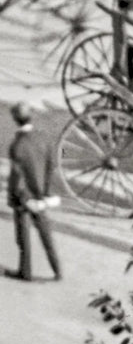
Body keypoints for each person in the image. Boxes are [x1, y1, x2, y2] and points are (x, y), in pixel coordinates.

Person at [6, 102, 62, 282]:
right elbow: (51, 167)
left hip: (25, 198)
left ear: (15, 120)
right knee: (46, 235)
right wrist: (46, 193)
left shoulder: (17, 145)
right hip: (42, 195)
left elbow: (17, 177)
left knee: (23, 237)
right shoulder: (44, 139)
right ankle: (57, 270)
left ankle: (25, 271)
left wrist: (18, 196)